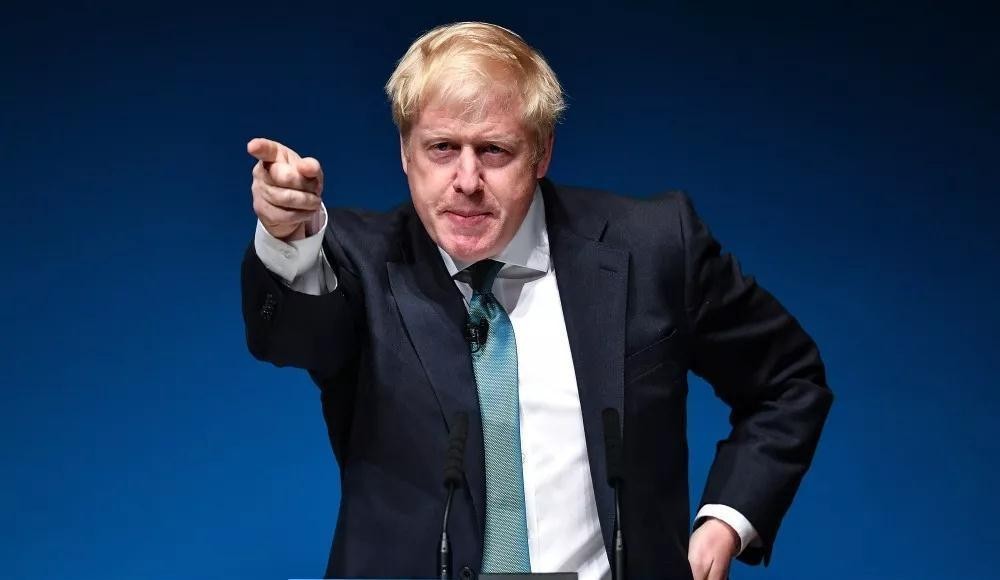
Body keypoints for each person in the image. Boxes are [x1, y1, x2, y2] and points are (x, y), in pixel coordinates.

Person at [240, 21, 832, 580]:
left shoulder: (653, 247)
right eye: (441, 148)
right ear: (405, 152)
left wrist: (727, 519)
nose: (466, 181)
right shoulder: (355, 262)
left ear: (542, 152)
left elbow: (788, 378)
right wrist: (288, 238)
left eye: (494, 150)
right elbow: (289, 338)